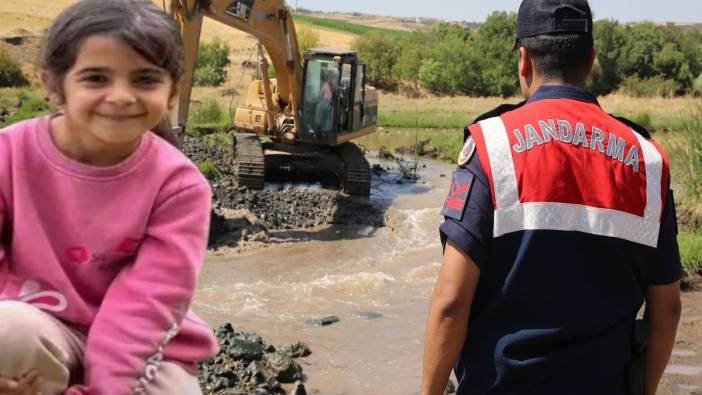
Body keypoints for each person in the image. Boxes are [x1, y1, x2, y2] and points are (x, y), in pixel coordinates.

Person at [421, 1, 682, 395]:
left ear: (524, 61)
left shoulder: (492, 148)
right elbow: (669, 310)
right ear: (591, 61)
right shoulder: (647, 160)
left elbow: (451, 302)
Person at [0, 1, 218, 394]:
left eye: (145, 80)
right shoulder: (8, 156)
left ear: (173, 93)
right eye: (96, 78)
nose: (120, 96)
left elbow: (144, 311)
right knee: (7, 332)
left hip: (144, 348)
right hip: (38, 326)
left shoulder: (180, 188)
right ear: (53, 86)